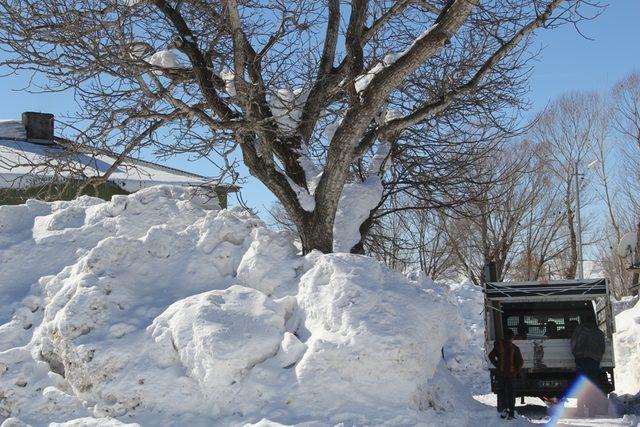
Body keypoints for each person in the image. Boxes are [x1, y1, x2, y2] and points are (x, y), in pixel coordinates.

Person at [570, 314, 606, 417]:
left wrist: (576, 354)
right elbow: (602, 348)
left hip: (581, 360)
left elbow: (573, 343)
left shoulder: (579, 330)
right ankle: (592, 412)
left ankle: (580, 411)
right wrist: (598, 358)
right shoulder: (599, 333)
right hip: (594, 362)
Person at [489, 329, 524, 420]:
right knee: (511, 394)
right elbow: (520, 362)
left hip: (501, 374)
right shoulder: (515, 348)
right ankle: (511, 413)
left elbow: (490, 356)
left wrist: (498, 365)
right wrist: (516, 371)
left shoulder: (498, 346)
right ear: (512, 338)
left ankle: (504, 410)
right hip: (511, 375)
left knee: (502, 392)